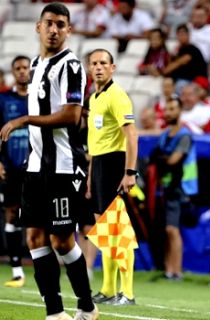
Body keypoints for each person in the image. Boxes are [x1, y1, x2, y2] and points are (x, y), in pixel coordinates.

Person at [0, 3, 98, 320]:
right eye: (49, 23)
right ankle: (55, 313)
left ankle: (86, 305)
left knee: (62, 241)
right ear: (38, 27)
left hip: (62, 167)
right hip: (34, 168)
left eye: (60, 24)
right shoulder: (35, 65)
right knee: (34, 238)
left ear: (69, 30)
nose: (54, 29)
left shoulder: (71, 67)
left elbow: (71, 115)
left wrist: (25, 119)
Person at [86, 48, 138, 306]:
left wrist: (130, 172)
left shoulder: (117, 96)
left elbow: (132, 135)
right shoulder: (94, 97)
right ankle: (107, 289)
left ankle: (127, 293)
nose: (98, 67)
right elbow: (95, 142)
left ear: (113, 67)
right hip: (99, 166)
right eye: (94, 63)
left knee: (119, 231)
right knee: (105, 231)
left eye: (103, 63)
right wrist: (89, 177)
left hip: (116, 163)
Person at [150, 98, 197, 280]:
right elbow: (155, 156)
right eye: (166, 109)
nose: (168, 112)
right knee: (169, 229)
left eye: (172, 109)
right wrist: (163, 159)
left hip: (182, 187)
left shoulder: (184, 135)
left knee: (173, 229)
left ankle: (176, 271)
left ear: (180, 111)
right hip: (167, 187)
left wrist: (162, 158)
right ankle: (170, 269)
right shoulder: (165, 134)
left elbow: (172, 160)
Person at [0, 55, 30, 288]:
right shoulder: (3, 100)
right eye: (18, 68)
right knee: (11, 215)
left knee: (41, 218)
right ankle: (18, 271)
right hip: (11, 168)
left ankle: (48, 264)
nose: (22, 71)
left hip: (38, 168)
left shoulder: (40, 99)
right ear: (13, 73)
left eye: (25, 68)